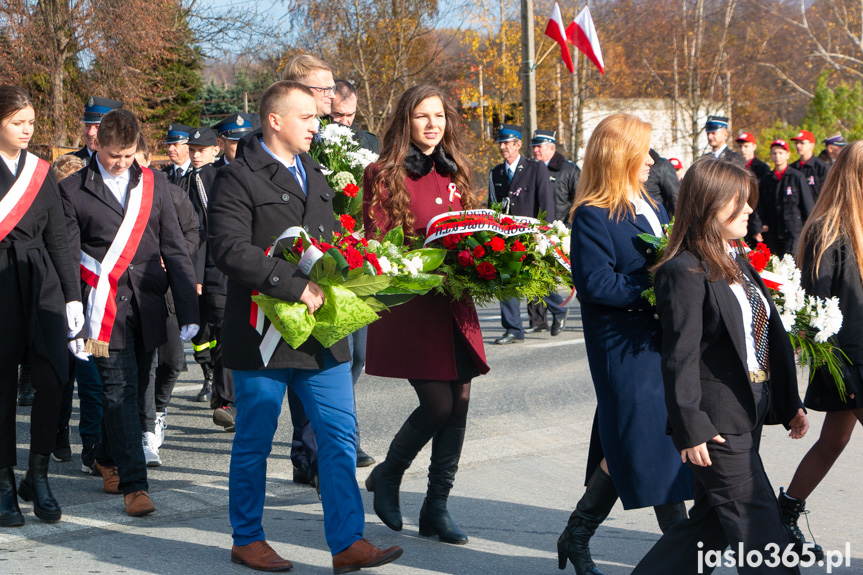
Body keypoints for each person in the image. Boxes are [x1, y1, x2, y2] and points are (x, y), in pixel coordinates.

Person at [208, 80, 403, 573]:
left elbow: (330, 241)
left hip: (320, 332)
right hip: (262, 333)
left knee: (339, 435)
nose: (318, 124)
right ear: (275, 120)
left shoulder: (315, 172)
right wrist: (290, 284)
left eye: (317, 118)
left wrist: (358, 266)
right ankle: (247, 537)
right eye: (307, 117)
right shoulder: (238, 177)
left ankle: (348, 541)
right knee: (254, 436)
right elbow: (228, 249)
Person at [630, 157, 809, 575]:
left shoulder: (735, 260)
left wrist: (787, 402)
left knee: (708, 530)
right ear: (710, 205)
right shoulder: (683, 270)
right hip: (716, 424)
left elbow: (762, 338)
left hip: (748, 408)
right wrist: (691, 424)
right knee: (762, 534)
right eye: (740, 201)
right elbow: (680, 356)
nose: (749, 209)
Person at [562, 113, 691, 575]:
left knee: (633, 442)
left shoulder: (650, 204)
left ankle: (576, 535)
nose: (652, 160)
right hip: (622, 347)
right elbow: (596, 284)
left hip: (655, 342)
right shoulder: (592, 215)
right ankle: (681, 555)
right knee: (650, 442)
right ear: (620, 157)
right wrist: (656, 291)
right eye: (644, 152)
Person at [363, 84, 489, 546]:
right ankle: (389, 474)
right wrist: (425, 252)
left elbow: (474, 226)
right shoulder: (383, 172)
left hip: (455, 302)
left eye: (438, 116)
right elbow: (378, 243)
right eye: (422, 116)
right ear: (406, 121)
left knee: (459, 402)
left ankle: (437, 507)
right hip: (413, 303)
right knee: (437, 403)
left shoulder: (458, 170)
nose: (432, 124)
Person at [60, 109, 199, 517]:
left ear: (137, 148)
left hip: (148, 306)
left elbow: (174, 247)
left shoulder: (155, 186)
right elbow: (68, 257)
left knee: (135, 389)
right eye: (111, 155)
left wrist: (188, 306)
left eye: (126, 155)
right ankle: (134, 485)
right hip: (99, 311)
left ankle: (104, 454)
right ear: (96, 145)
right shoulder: (72, 190)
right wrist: (71, 314)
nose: (119, 163)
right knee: (117, 388)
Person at [0, 85, 84, 527]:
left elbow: (58, 238)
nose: (27, 130)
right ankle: (3, 485)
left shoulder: (41, 171)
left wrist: (72, 295)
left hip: (43, 280)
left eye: (30, 122)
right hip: (0, 281)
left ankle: (38, 474)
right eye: (18, 122)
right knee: (3, 389)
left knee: (53, 379)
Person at [779, 141, 863, 562]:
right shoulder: (827, 230)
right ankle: (782, 517)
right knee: (834, 440)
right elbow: (818, 306)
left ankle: (784, 513)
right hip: (849, 359)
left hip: (857, 356)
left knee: (834, 441)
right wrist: (843, 372)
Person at [134, 135, 201, 466]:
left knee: (173, 360)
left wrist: (171, 259)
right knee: (145, 364)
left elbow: (192, 233)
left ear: (147, 158)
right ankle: (146, 430)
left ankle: (159, 409)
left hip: (169, 291)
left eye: (137, 157)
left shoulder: (171, 193)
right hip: (136, 293)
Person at [186, 127, 236, 431]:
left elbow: (209, 231)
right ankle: (218, 388)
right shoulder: (194, 177)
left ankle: (226, 400)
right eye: (192, 149)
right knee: (203, 333)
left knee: (224, 333)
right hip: (202, 270)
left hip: (218, 270)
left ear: (214, 149)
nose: (195, 155)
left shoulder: (213, 178)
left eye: (200, 150)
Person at [488, 123, 555, 344]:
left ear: (518, 145)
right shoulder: (496, 173)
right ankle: (513, 329)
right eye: (500, 143)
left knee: (533, 280)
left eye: (507, 143)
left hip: (530, 236)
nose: (503, 147)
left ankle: (558, 309)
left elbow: (546, 203)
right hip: (506, 238)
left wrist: (545, 232)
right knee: (506, 281)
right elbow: (493, 206)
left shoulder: (535, 168)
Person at [49, 153, 87, 465]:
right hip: (57, 300)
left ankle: (92, 441)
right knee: (62, 375)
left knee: (91, 380)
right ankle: (59, 430)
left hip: (89, 300)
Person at [527, 129, 574, 335]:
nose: (535, 151)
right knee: (533, 272)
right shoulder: (529, 169)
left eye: (540, 147)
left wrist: (568, 229)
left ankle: (591, 312)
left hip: (563, 231)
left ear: (552, 148)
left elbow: (579, 200)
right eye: (534, 147)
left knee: (573, 276)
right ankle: (538, 321)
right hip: (538, 230)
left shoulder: (568, 170)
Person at [750, 139, 814, 258]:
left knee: (791, 264)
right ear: (771, 156)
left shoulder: (796, 177)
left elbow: (807, 205)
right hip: (773, 232)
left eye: (780, 153)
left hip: (793, 232)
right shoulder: (766, 180)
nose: (777, 156)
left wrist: (809, 230)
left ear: (787, 155)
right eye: (774, 153)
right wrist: (757, 227)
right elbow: (759, 206)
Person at [65, 96, 124, 161]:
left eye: (98, 127)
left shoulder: (124, 164)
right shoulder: (68, 164)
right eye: (87, 126)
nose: (90, 133)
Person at [332, 79, 380, 154]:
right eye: (338, 114)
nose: (344, 122)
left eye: (350, 115)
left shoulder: (371, 144)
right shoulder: (312, 141)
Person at [790, 130, 830, 201]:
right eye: (796, 143)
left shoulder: (822, 167)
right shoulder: (792, 168)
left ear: (812, 145)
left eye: (802, 143)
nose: (798, 146)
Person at [644, 149, 680, 216]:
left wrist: (677, 224)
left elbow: (675, 197)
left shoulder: (662, 165)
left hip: (660, 220)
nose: (650, 161)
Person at [162, 123, 195, 190]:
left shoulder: (196, 173)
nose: (170, 149)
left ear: (188, 146)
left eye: (175, 144)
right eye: (169, 145)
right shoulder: (163, 175)